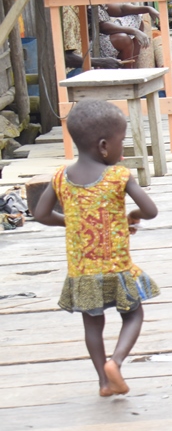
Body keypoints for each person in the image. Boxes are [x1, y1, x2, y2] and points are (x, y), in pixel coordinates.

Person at [33, 101, 160, 397]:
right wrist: (134, 217)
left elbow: (40, 215)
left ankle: (103, 382)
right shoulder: (119, 177)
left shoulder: (61, 177)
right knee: (133, 315)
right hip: (116, 268)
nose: (123, 149)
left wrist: (72, 222)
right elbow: (150, 210)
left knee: (93, 326)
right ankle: (115, 363)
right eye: (122, 141)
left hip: (82, 272)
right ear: (104, 146)